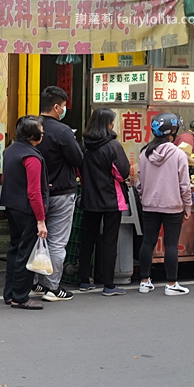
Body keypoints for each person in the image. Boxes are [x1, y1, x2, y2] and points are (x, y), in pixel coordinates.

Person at [32, 86, 82, 301]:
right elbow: (78, 158)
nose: (64, 110)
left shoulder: (30, 126)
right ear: (55, 107)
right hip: (61, 191)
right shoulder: (62, 131)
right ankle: (53, 287)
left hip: (35, 193)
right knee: (57, 242)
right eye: (63, 106)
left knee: (35, 238)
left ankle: (35, 283)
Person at [136, 113, 192, 296]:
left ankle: (144, 281)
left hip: (149, 205)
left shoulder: (145, 153)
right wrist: (188, 206)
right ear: (172, 132)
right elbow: (185, 184)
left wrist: (144, 197)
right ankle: (171, 283)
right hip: (172, 206)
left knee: (148, 242)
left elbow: (139, 182)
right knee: (171, 245)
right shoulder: (178, 154)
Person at [79, 108, 130, 296]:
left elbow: (79, 168)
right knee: (109, 240)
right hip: (111, 198)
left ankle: (84, 279)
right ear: (108, 124)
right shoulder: (113, 146)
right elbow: (122, 172)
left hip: (89, 197)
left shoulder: (84, 145)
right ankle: (108, 284)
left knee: (88, 239)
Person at [0, 115, 48, 310]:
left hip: (11, 205)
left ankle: (9, 292)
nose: (43, 133)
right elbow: (34, 192)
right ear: (32, 134)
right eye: (40, 130)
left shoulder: (10, 150)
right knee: (25, 253)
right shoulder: (32, 157)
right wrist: (41, 220)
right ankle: (20, 296)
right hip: (27, 209)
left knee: (14, 249)